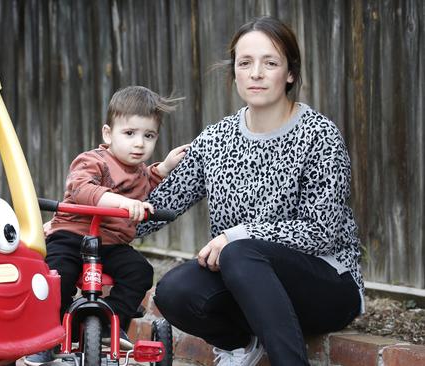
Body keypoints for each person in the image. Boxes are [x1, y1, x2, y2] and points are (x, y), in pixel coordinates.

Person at [137, 17, 363, 366]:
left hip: (325, 285)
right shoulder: (216, 139)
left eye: (270, 62)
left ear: (289, 73)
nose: (256, 73)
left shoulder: (319, 136)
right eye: (245, 63)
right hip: (245, 286)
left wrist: (238, 235)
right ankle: (241, 345)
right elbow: (155, 209)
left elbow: (320, 232)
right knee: (175, 291)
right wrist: (76, 222)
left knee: (240, 252)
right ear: (236, 73)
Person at [25, 86, 189, 365]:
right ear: (107, 134)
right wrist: (120, 203)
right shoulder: (92, 161)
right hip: (71, 234)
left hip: (111, 243)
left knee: (140, 271)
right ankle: (48, 334)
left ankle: (109, 321)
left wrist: (163, 169)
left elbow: (145, 180)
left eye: (148, 136)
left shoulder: (138, 171)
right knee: (57, 275)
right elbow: (81, 189)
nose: (139, 144)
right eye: (130, 134)